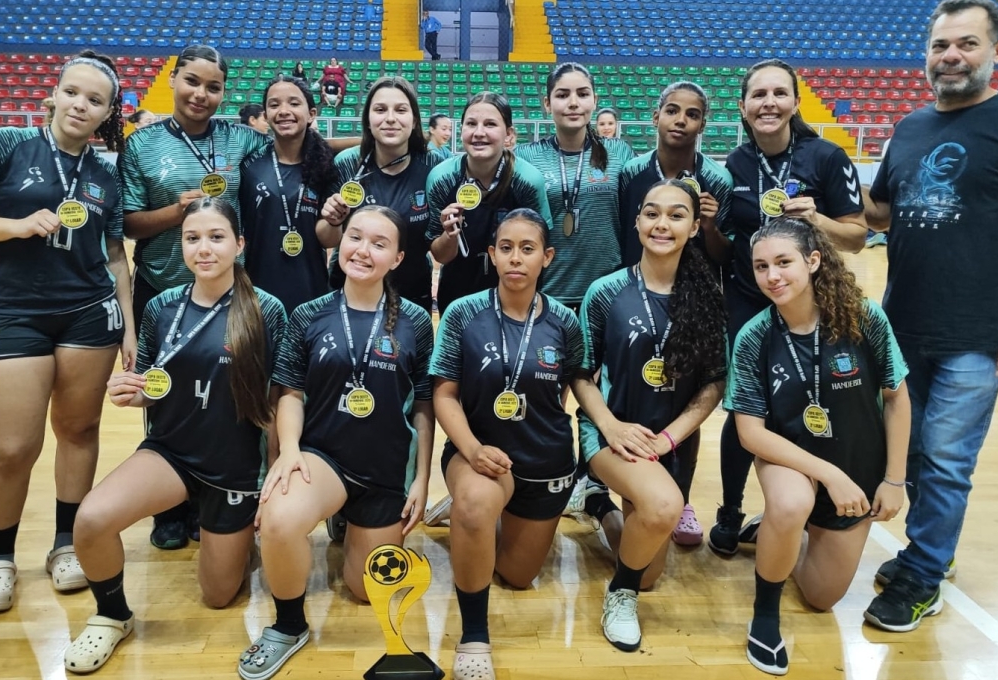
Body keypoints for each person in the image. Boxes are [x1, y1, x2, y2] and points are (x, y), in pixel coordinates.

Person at [861, 0, 998, 632]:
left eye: (967, 44)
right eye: (940, 45)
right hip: (902, 327)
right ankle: (930, 552)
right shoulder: (910, 126)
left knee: (946, 457)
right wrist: (819, 176)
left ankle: (921, 577)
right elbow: (879, 214)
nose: (951, 56)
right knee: (910, 450)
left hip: (979, 332)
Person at [0, 50, 132, 614]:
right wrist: (16, 225)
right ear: (53, 94)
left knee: (78, 429)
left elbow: (115, 255)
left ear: (107, 113)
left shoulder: (106, 174)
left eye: (95, 100)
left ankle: (65, 544)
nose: (80, 105)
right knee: (11, 447)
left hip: (89, 313)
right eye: (72, 92)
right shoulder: (6, 144)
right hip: (12, 311)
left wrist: (127, 326)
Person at [63, 197, 286, 673]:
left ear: (239, 244)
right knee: (92, 519)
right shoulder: (162, 306)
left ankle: (237, 539)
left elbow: (279, 400)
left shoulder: (267, 310)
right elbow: (152, 384)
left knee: (218, 595)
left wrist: (274, 475)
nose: (203, 248)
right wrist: (132, 394)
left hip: (235, 467)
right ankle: (112, 615)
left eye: (216, 237)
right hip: (172, 453)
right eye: (192, 238)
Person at [240, 205, 434, 680]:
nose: (363, 250)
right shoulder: (308, 314)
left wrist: (422, 479)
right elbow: (289, 393)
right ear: (339, 243)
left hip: (385, 469)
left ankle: (347, 520)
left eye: (379, 244)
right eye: (355, 237)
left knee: (366, 590)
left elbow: (425, 407)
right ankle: (288, 626)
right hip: (324, 458)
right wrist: (289, 452)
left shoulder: (415, 321)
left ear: (398, 258)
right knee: (281, 522)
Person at [725, 217, 910, 675]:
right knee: (791, 503)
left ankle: (781, 532)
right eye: (761, 266)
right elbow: (751, 434)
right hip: (792, 461)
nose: (772, 276)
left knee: (821, 597)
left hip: (858, 469)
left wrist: (894, 480)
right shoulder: (753, 337)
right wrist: (828, 474)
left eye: (783, 262)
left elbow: (896, 398)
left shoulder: (863, 317)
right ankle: (764, 615)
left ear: (812, 261)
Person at [710, 58, 868, 557]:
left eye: (779, 93)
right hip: (746, 305)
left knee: (814, 399)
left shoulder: (827, 157)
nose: (769, 103)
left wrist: (817, 219)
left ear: (796, 102)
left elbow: (858, 236)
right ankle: (730, 511)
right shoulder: (734, 163)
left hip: (810, 308)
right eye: (758, 95)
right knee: (745, 410)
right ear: (743, 107)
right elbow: (725, 244)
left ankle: (811, 502)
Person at [119, 43, 270, 551]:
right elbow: (128, 223)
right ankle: (169, 508)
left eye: (213, 86)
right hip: (162, 287)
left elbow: (299, 138)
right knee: (164, 395)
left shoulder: (239, 138)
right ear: (173, 81)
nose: (201, 94)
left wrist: (368, 139)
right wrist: (177, 213)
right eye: (192, 81)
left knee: (224, 396)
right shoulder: (142, 143)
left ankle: (215, 496)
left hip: (226, 291)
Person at [572, 180, 726, 652]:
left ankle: (597, 505)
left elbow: (714, 383)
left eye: (676, 215)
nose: (662, 224)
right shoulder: (605, 291)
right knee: (660, 511)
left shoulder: (707, 295)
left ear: (694, 227)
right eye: (652, 213)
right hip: (611, 432)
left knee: (651, 571)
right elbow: (580, 375)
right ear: (637, 221)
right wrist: (610, 426)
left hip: (671, 441)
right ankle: (620, 595)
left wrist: (668, 439)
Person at [430, 209, 582, 680]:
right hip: (478, 455)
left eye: (528, 249)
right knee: (476, 505)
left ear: (546, 257)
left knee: (517, 576)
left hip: (545, 462)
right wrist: (472, 449)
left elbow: (563, 393)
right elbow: (444, 395)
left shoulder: (565, 321)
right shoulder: (462, 313)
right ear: (492, 255)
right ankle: (474, 635)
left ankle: (475, 517)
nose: (516, 258)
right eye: (507, 248)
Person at [608, 80, 734, 547]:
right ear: (656, 116)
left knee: (682, 399)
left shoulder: (717, 178)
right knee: (626, 390)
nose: (681, 120)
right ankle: (607, 478)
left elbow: (723, 255)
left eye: (692, 114)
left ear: (704, 123)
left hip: (690, 300)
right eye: (673, 110)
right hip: (638, 294)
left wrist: (711, 226)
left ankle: (681, 498)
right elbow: (625, 231)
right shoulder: (632, 171)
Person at [515, 62, 634, 310]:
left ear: (594, 100)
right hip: (545, 295)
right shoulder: (525, 157)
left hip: (608, 294)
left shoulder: (619, 152)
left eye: (582, 94)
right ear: (547, 103)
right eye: (562, 95)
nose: (573, 103)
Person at [318, 76, 440, 314]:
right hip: (349, 292)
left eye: (401, 110)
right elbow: (327, 239)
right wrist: (333, 221)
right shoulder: (346, 164)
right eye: (380, 110)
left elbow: (440, 247)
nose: (390, 118)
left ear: (414, 120)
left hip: (412, 294)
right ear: (368, 119)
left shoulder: (434, 167)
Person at [427, 92, 551, 312]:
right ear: (461, 130)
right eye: (471, 124)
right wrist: (449, 235)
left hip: (516, 301)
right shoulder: (441, 178)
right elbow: (440, 255)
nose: (479, 132)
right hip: (457, 299)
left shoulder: (528, 181)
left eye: (490, 124)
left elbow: (539, 250)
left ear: (509, 134)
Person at [239, 75, 338, 314]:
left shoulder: (325, 165)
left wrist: (335, 220)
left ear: (311, 114)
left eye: (294, 103)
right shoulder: (249, 165)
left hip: (311, 294)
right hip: (256, 294)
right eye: (274, 105)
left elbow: (329, 240)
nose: (284, 111)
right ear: (266, 115)